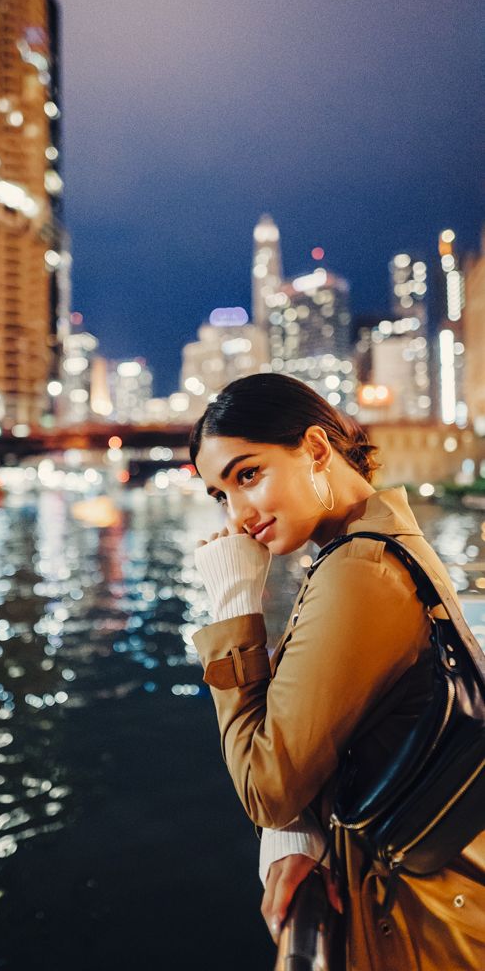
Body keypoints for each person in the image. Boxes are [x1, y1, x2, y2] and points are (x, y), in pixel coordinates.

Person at [189, 372, 485, 971]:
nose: (240, 514)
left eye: (249, 474)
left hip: (418, 925)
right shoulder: (374, 539)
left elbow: (266, 789)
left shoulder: (359, 570)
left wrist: (233, 607)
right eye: (221, 495)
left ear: (318, 449)